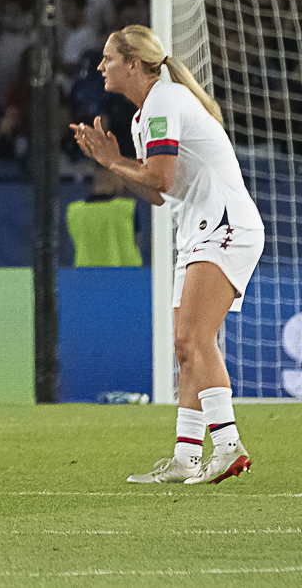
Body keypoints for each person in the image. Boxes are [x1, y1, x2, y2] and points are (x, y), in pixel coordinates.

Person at [72, 25, 264, 485]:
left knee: (195, 338)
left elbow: (159, 178)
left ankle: (229, 445)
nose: (100, 66)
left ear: (134, 62)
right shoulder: (143, 117)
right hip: (198, 229)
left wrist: (115, 163)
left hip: (223, 225)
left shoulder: (164, 101)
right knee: (185, 346)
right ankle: (186, 456)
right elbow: (159, 195)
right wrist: (116, 165)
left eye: (108, 58)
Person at [67, 165, 142, 268]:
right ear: (115, 179)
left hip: (85, 274)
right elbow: (137, 242)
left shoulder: (75, 210)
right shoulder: (128, 208)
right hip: (126, 275)